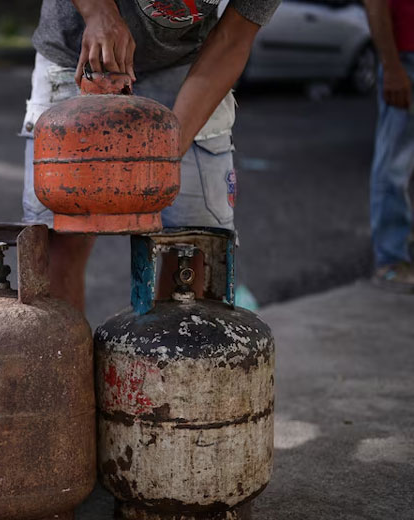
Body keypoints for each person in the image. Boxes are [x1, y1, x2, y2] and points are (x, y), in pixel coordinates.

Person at [21, 0, 280, 310]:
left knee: (195, 243)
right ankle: (64, 355)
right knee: (57, 239)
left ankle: (163, 353)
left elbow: (233, 38)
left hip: (187, 66)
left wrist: (169, 150)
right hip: (78, 51)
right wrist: (99, 12)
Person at [364, 0, 414, 291]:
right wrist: (392, 66)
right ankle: (391, 261)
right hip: (405, 58)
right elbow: (375, 5)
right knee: (394, 163)